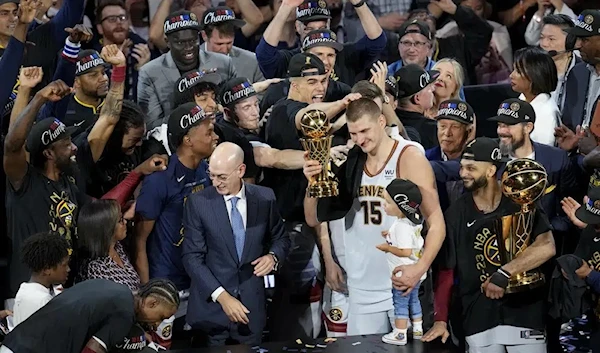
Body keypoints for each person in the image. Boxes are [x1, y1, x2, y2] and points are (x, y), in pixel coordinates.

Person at [303, 98, 445, 335]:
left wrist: (420, 268)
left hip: (402, 284)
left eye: (365, 131)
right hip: (361, 287)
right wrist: (313, 184)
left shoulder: (408, 157)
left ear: (381, 121)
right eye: (353, 133)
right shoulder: (351, 162)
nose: (359, 139)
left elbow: (436, 221)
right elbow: (312, 219)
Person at [422, 137, 556, 353]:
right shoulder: (455, 214)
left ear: (491, 170)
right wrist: (440, 320)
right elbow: (446, 270)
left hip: (525, 314)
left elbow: (547, 246)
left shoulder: (520, 200)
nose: (463, 173)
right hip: (478, 317)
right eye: (462, 167)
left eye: (471, 168)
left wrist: (504, 273)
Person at [182, 142, 291, 346]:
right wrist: (222, 297)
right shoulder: (198, 203)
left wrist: (273, 257)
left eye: (222, 177)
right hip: (210, 314)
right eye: (211, 174)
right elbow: (192, 258)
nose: (215, 182)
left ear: (241, 170)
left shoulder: (265, 198)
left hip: (251, 311)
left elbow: (281, 238)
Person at [1, 279, 180, 353]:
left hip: (14, 343)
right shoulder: (125, 313)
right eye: (161, 317)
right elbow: (92, 350)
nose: (157, 325)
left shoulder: (114, 289)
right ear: (152, 303)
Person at [137, 9, 237, 130]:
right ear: (167, 42)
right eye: (181, 42)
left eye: (193, 41)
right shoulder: (149, 72)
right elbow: (150, 125)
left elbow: (235, 106)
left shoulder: (223, 63)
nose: (189, 47)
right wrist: (193, 116)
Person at [377, 179, 426, 346]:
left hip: (403, 273)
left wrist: (387, 248)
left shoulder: (401, 226)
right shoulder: (409, 223)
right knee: (414, 300)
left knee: (400, 302)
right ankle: (418, 328)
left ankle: (399, 334)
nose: (384, 205)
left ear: (401, 206)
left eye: (388, 202)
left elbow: (405, 250)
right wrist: (389, 235)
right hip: (416, 272)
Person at [12, 232, 70, 327]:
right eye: (64, 265)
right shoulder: (42, 301)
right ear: (47, 269)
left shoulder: (24, 290)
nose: (68, 269)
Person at [510, 47, 560, 146]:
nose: (511, 75)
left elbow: (543, 153)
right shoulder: (521, 100)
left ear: (534, 76)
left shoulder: (548, 113)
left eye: (518, 71)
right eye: (514, 70)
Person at [200, 6, 264, 83]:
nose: (224, 50)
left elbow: (263, 94)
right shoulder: (191, 62)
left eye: (229, 43)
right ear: (204, 36)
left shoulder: (252, 63)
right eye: (219, 44)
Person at [394, 64, 439, 150]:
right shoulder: (432, 130)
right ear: (417, 98)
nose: (433, 89)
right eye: (429, 87)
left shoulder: (386, 122)